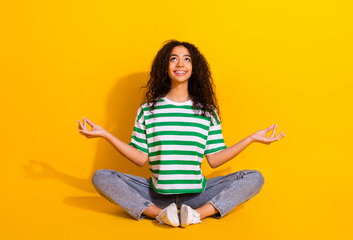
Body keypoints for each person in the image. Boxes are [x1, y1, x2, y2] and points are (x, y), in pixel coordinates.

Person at [77, 39, 286, 227]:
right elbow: (140, 158)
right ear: (164, 67)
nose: (180, 64)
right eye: (173, 59)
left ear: (194, 68)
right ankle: (161, 215)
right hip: (156, 194)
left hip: (198, 194)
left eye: (186, 59)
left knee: (254, 178)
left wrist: (251, 139)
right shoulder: (149, 110)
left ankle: (195, 215)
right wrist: (106, 135)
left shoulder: (206, 111)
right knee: (102, 177)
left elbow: (214, 159)